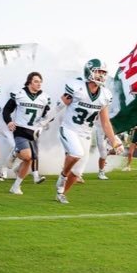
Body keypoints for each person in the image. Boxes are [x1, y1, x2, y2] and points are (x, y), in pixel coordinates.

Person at [55, 58, 123, 204]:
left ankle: (62, 193)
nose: (101, 75)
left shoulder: (105, 95)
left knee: (78, 172)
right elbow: (59, 106)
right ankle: (62, 176)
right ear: (89, 71)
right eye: (98, 71)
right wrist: (43, 123)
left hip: (85, 134)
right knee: (76, 153)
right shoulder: (76, 87)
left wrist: (114, 141)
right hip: (69, 128)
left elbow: (105, 122)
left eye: (103, 73)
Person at [2, 72, 51, 195]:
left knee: (29, 159)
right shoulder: (19, 94)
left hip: (34, 131)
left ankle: (16, 186)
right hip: (20, 129)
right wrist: (9, 121)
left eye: (40, 81)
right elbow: (7, 109)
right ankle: (15, 153)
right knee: (28, 156)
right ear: (29, 82)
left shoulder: (44, 97)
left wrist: (46, 120)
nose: (39, 84)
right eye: (36, 81)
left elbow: (47, 114)